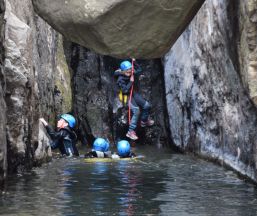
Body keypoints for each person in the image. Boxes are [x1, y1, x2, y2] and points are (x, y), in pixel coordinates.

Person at [114, 59, 154, 140]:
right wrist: (131, 82)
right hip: (127, 96)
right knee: (136, 110)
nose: (129, 73)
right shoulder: (120, 79)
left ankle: (144, 121)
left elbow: (139, 70)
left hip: (133, 93)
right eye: (127, 71)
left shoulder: (131, 72)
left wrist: (134, 62)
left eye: (130, 71)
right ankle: (130, 131)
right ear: (123, 71)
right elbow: (125, 91)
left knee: (147, 106)